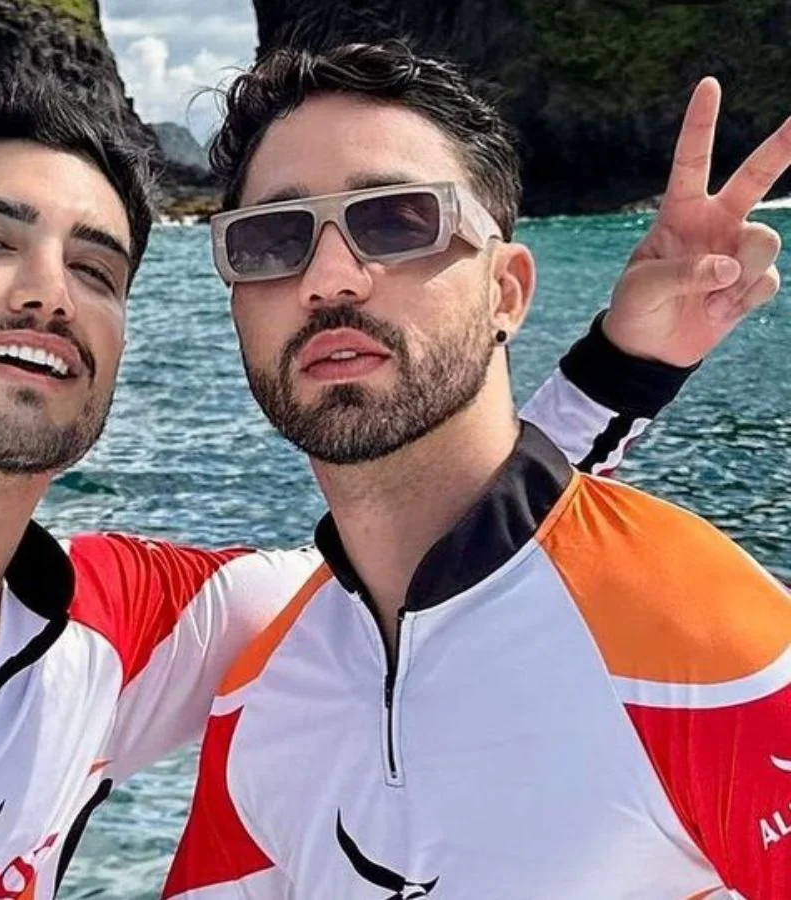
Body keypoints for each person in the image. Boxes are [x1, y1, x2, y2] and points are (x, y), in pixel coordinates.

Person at [0, 67, 775, 899]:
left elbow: (457, 549)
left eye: (97, 268)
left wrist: (628, 364)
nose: (46, 291)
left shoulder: (139, 631)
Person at [162, 43, 790, 900]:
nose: (330, 279)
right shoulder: (260, 700)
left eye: (396, 222)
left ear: (507, 293)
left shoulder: (711, 649)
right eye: (273, 239)